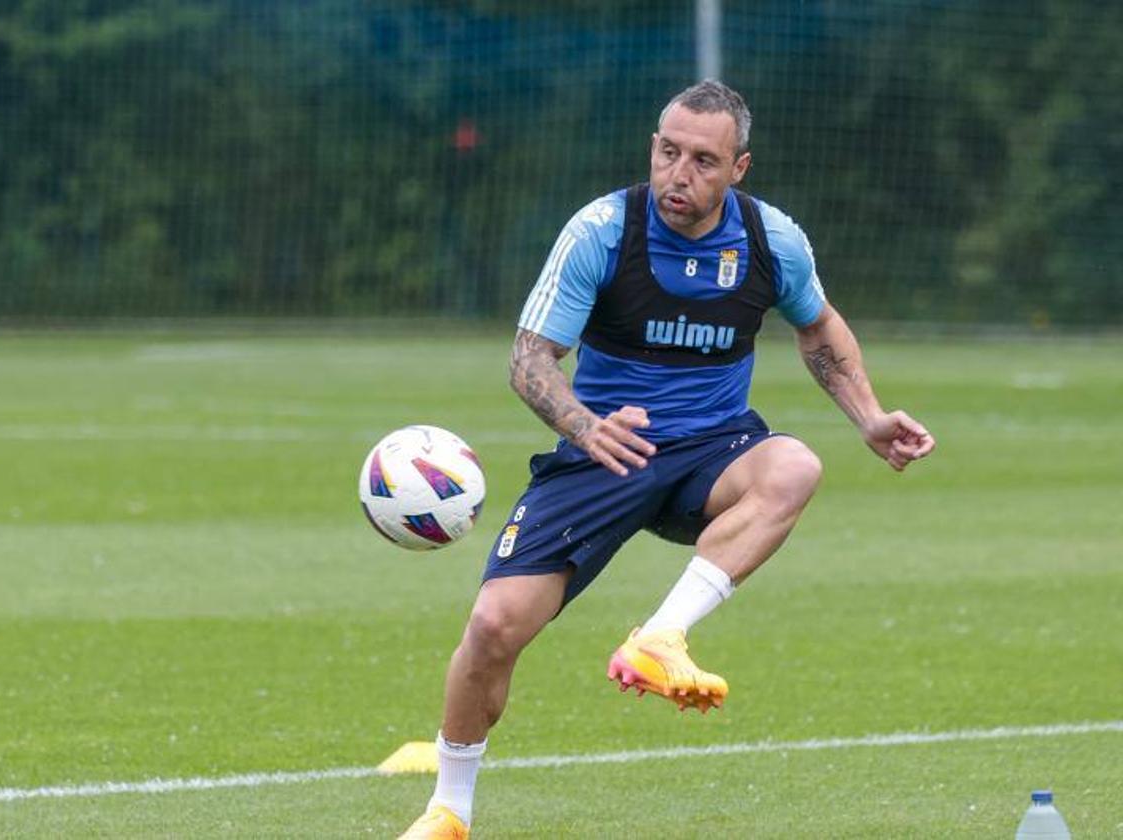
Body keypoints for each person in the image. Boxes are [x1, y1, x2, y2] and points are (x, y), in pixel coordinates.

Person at [398, 80, 935, 839]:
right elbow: (530, 360)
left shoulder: (769, 240)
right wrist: (584, 426)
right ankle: (450, 810)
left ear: (738, 168)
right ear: (653, 146)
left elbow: (819, 329)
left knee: (795, 467)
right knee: (492, 627)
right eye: (668, 151)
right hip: (605, 450)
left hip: (714, 450)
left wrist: (871, 418)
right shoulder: (600, 232)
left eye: (703, 160)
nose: (679, 174)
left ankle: (661, 635)